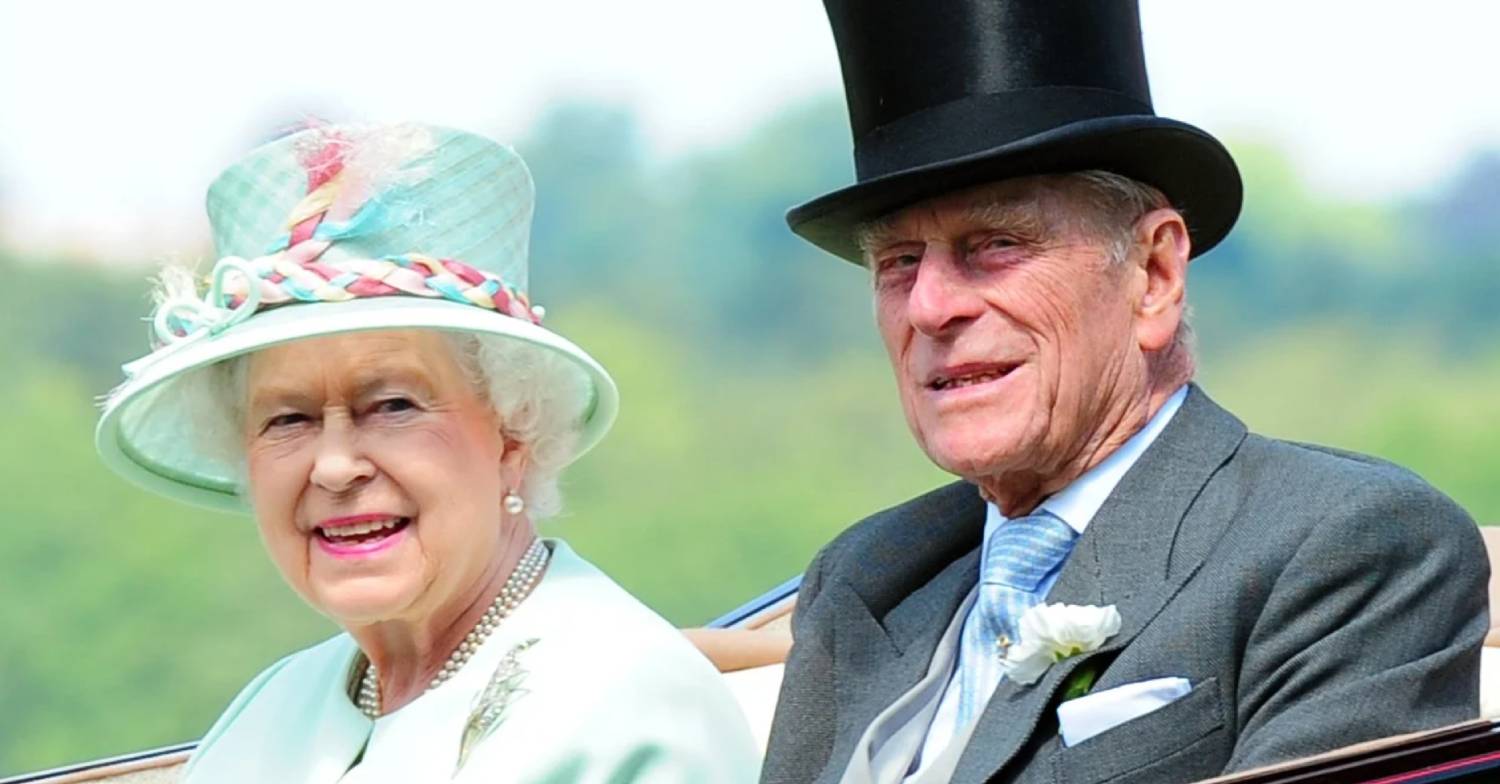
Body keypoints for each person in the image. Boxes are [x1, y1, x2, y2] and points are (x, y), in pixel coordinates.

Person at [760, 3, 1489, 783]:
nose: (932, 307)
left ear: (1154, 275)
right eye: (900, 262)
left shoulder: (1344, 546)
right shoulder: (870, 575)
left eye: (997, 245)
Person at [95, 122, 759, 783]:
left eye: (392, 406)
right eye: (288, 419)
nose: (333, 467)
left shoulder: (631, 703)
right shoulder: (270, 710)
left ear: (513, 432)